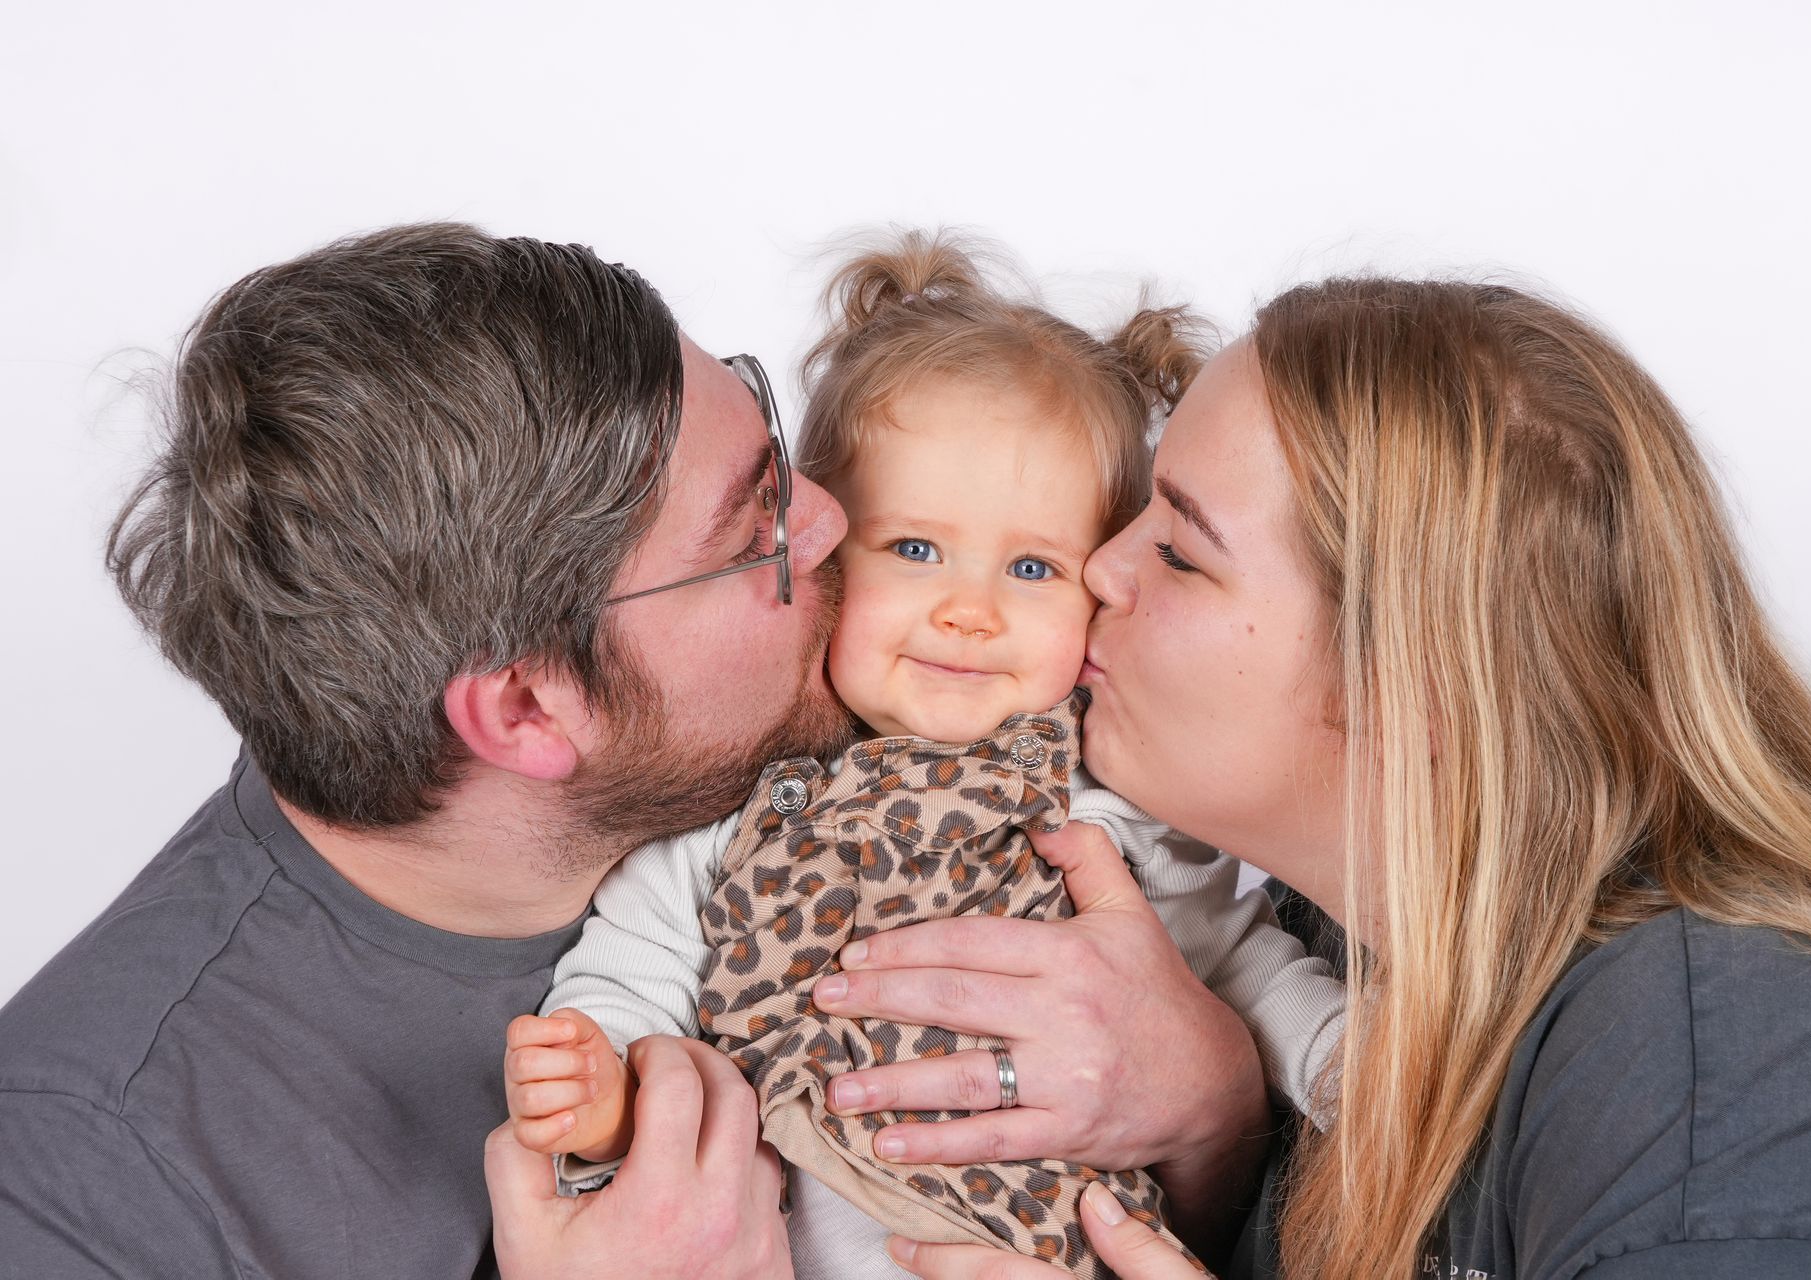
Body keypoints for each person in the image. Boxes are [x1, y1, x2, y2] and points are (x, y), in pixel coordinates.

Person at [0, 222, 1269, 1279]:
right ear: (532, 711)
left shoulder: (928, 761)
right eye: (752, 530)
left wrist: (1216, 1104)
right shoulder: (98, 1185)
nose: (835, 522)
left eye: (776, 452)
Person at [827, 278, 1811, 1279]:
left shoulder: (1730, 1071)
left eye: (1180, 552)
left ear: (1411, 686)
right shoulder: (1324, 931)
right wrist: (1216, 1123)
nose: (1100, 567)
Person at [498, 233, 1345, 1280]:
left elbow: (1244, 967)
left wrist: (1340, 1059)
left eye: (1032, 567)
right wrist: (597, 1082)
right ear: (821, 550)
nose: (969, 610)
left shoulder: (1105, 807)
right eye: (914, 549)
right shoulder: (758, 798)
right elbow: (641, 953)